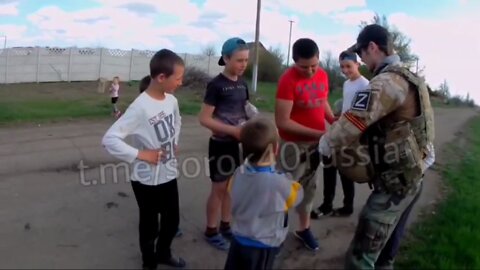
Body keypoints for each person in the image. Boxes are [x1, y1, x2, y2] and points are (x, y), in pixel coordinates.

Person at [317, 24, 435, 269]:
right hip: (413, 174)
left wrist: (327, 143)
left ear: (373, 47)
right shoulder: (409, 76)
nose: (362, 60)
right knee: (384, 255)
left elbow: (354, 120)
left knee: (359, 259)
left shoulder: (387, 81)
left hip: (397, 184)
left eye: (361, 55)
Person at [102, 49, 186, 269]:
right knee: (150, 226)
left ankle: (164, 253)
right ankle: (149, 262)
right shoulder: (139, 107)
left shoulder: (172, 101)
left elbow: (177, 122)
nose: (181, 82)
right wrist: (141, 154)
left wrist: (173, 141)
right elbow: (110, 139)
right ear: (161, 78)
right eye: (177, 78)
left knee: (172, 221)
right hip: (145, 179)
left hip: (169, 173)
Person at [275, 38, 336, 251]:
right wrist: (320, 133)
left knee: (309, 188)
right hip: (292, 146)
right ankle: (276, 231)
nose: (310, 71)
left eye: (314, 65)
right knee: (285, 189)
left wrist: (333, 121)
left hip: (315, 145)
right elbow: (282, 122)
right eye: (304, 67)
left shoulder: (323, 74)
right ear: (294, 62)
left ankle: (303, 229)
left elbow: (322, 100)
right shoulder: (287, 80)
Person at [224, 117, 304, 270]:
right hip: (263, 245)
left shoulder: (238, 173)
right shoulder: (278, 183)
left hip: (239, 239)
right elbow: (296, 197)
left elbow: (232, 190)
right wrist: (290, 180)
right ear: (275, 149)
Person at [198, 37, 251, 251]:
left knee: (233, 187)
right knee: (219, 189)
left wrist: (255, 125)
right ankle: (211, 230)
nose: (243, 64)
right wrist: (234, 131)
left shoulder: (243, 83)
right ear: (226, 58)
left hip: (239, 145)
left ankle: (226, 226)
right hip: (221, 145)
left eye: (246, 60)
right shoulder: (216, 85)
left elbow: (245, 108)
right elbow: (204, 119)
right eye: (239, 60)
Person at [311, 50, 369, 218]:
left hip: (352, 135)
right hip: (340, 130)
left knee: (346, 171)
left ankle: (346, 206)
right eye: (342, 67)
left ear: (357, 64)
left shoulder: (365, 85)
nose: (345, 70)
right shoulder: (347, 84)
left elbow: (362, 113)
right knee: (329, 165)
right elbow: (347, 108)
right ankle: (327, 204)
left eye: (348, 66)